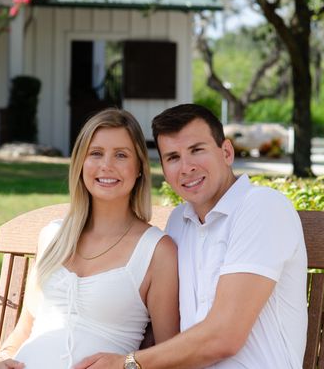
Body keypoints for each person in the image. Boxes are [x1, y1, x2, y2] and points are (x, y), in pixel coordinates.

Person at [76, 103, 308, 369]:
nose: (186, 168)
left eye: (197, 150)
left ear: (227, 152)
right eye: (173, 157)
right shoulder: (179, 223)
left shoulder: (261, 207)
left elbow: (225, 337)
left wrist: (127, 364)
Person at [0, 108, 179, 369]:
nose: (106, 165)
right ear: (80, 164)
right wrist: (0, 360)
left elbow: (172, 356)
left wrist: (128, 365)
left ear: (139, 169)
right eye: (96, 153)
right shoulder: (52, 237)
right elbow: (24, 329)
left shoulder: (156, 251)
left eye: (121, 155)